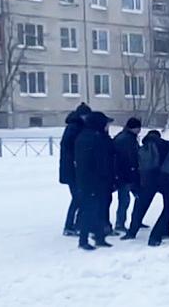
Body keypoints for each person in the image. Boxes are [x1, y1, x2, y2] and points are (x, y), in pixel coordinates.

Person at [75, 111, 115, 250]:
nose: (107, 126)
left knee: (100, 210)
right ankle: (83, 240)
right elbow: (96, 162)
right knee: (90, 210)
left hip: (97, 181)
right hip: (92, 181)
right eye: (106, 124)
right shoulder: (91, 138)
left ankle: (99, 237)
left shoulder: (94, 137)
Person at [121, 130, 169, 240]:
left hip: (146, 181)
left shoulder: (142, 148)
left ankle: (132, 232)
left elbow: (136, 165)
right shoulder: (163, 145)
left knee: (139, 207)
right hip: (161, 180)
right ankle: (165, 229)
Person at [59, 102, 92, 236]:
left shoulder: (75, 127)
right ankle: (70, 226)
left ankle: (76, 224)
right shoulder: (74, 128)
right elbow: (72, 149)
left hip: (72, 169)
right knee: (78, 198)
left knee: (79, 198)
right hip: (73, 170)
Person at [113, 117, 142, 232]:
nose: (139, 130)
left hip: (127, 173)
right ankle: (120, 223)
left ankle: (135, 220)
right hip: (126, 173)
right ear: (133, 128)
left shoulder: (126, 137)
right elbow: (129, 158)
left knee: (130, 198)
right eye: (138, 128)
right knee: (125, 199)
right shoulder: (126, 139)